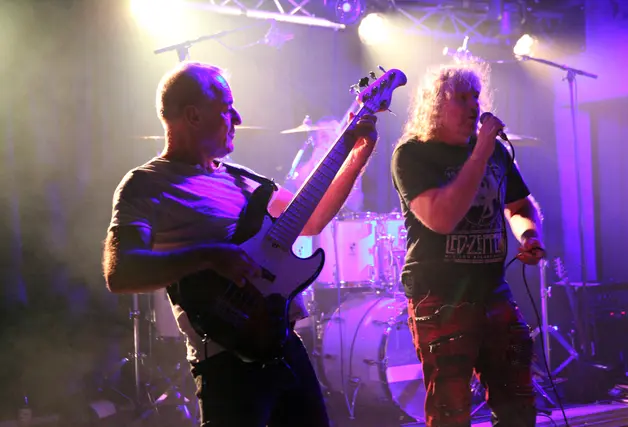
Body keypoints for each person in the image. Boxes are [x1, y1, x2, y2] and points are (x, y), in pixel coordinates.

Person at [102, 61, 378, 427]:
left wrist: (356, 155)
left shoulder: (247, 182)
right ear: (193, 115)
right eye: (226, 107)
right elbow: (121, 273)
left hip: (285, 345)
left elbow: (311, 221)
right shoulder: (145, 184)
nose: (238, 118)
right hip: (224, 360)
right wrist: (208, 256)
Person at [390, 63, 544, 427]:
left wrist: (529, 235)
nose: (473, 105)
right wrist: (479, 155)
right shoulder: (412, 154)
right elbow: (441, 218)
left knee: (518, 399)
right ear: (435, 104)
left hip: (493, 290)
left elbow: (519, 205)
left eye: (475, 96)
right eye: (461, 97)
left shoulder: (494, 152)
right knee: (451, 409)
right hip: (439, 297)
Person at [285, 117, 364, 212]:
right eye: (324, 137)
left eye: (335, 137)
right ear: (315, 141)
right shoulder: (303, 167)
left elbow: (355, 205)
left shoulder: (350, 164)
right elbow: (293, 194)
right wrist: (313, 163)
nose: (330, 142)